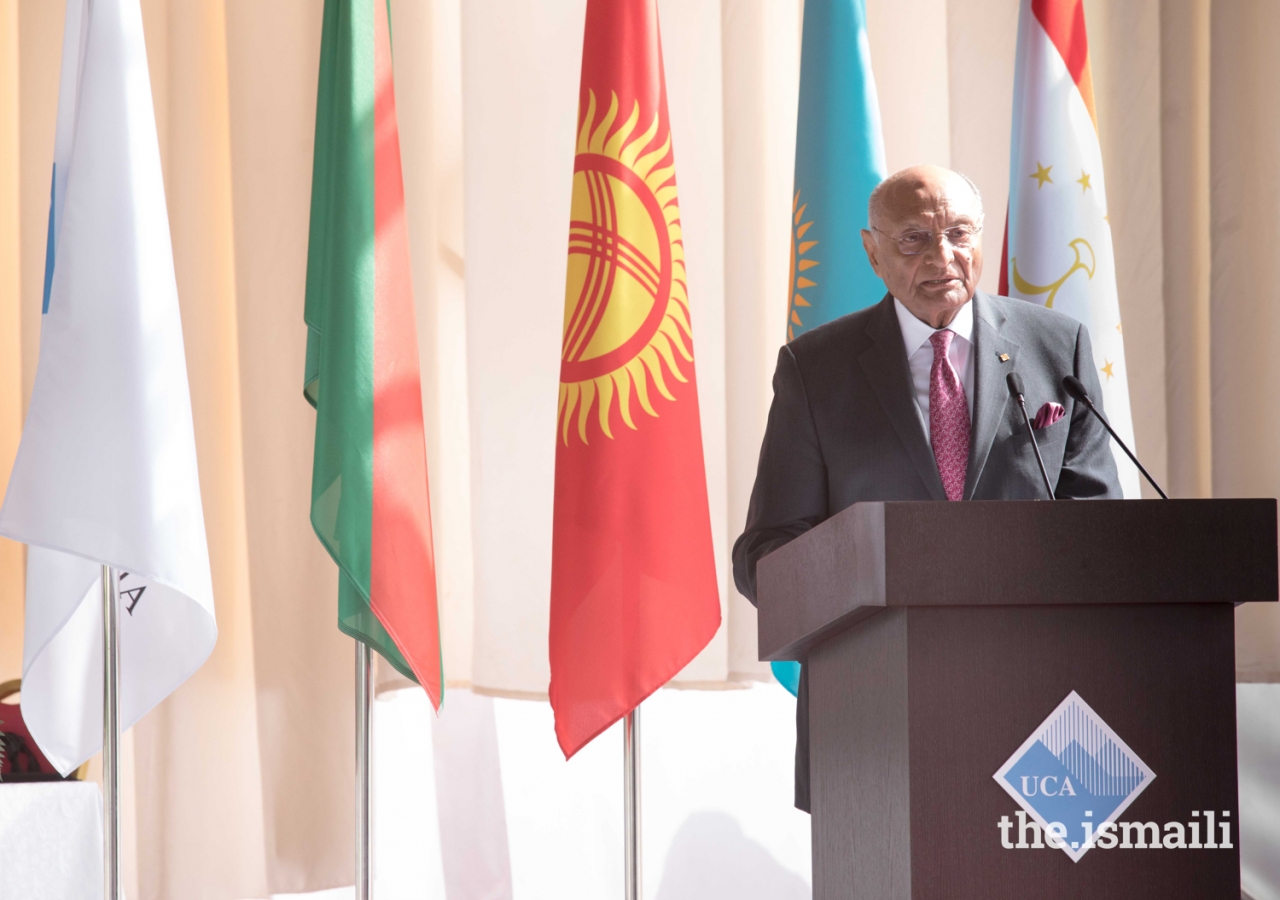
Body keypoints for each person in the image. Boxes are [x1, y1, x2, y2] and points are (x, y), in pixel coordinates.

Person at [731, 164, 1122, 812]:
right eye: (915, 239)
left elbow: (1104, 527)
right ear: (873, 252)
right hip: (873, 713)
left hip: (1047, 711)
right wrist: (870, 571)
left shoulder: (1057, 348)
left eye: (959, 234)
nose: (943, 257)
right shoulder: (815, 370)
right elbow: (767, 551)